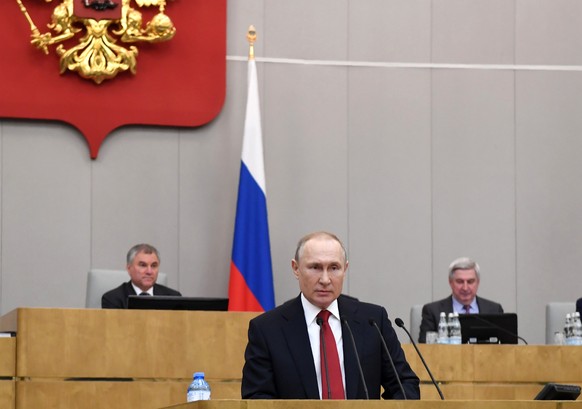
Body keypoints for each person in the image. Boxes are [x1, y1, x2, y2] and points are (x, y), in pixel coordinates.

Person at [242, 231, 420, 400]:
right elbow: (257, 398)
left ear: (345, 269)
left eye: (334, 268)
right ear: (296, 268)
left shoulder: (373, 321)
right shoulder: (267, 329)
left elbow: (404, 385)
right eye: (315, 267)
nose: (325, 279)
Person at [418, 257, 504, 343]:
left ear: (478, 282)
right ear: (450, 282)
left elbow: (505, 347)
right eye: (460, 281)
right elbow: (424, 348)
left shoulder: (494, 310)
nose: (465, 288)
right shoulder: (432, 311)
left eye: (470, 281)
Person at [101, 243, 181, 309]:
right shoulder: (113, 299)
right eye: (143, 265)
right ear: (129, 268)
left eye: (153, 266)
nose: (149, 272)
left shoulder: (174, 298)